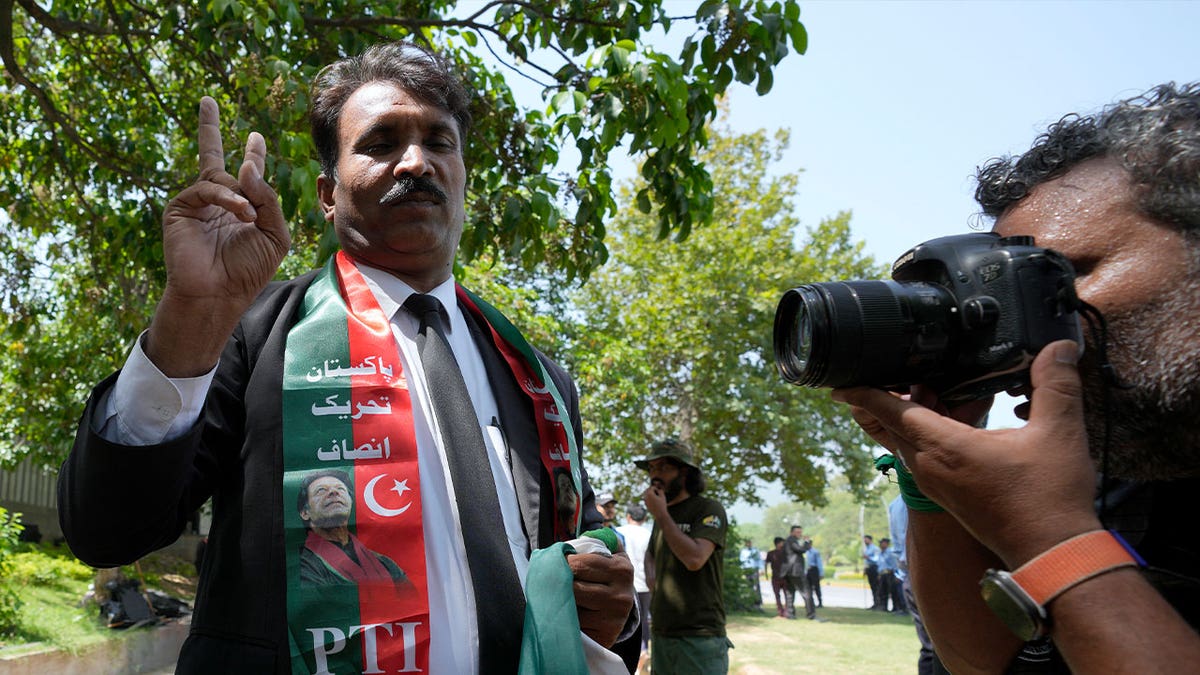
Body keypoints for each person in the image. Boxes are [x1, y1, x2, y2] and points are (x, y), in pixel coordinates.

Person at [57, 41, 634, 674]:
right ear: (329, 194)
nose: (415, 161)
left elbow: (582, 574)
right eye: (382, 143)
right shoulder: (253, 334)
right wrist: (193, 312)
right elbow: (108, 530)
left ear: (463, 172)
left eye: (439, 142)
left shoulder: (538, 379)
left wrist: (615, 613)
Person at [833, 82, 1200, 672]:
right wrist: (928, 485)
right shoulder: (1111, 465)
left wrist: (1055, 538)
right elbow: (980, 663)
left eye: (1051, 280)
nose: (1024, 331)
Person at [638, 438, 730, 674]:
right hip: (662, 632)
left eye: (664, 467)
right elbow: (651, 555)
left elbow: (695, 559)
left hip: (699, 635)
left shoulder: (708, 509)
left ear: (685, 472)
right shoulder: (662, 515)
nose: (655, 475)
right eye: (652, 468)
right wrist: (653, 583)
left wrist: (661, 515)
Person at [296, 469, 411, 590]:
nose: (334, 492)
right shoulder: (302, 565)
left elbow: (412, 602)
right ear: (305, 512)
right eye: (321, 490)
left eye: (340, 489)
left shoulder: (385, 564)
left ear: (350, 503)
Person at [616, 504, 653, 669]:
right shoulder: (649, 534)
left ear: (628, 516)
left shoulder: (619, 532)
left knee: (624, 620)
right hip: (646, 585)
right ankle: (643, 650)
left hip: (626, 582)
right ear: (644, 518)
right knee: (644, 619)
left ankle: (631, 657)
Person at [780, 525, 816, 620]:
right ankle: (811, 614)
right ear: (792, 532)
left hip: (789, 571)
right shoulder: (791, 540)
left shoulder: (789, 541)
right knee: (806, 592)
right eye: (797, 532)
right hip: (795, 570)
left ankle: (791, 614)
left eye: (800, 532)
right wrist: (807, 542)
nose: (799, 534)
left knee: (790, 593)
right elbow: (801, 550)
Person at [877, 537, 905, 613]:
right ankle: (884, 607)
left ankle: (895, 607)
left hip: (889, 573)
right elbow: (880, 565)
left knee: (893, 592)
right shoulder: (880, 553)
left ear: (886, 543)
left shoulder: (890, 552)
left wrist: (896, 574)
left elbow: (894, 565)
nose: (880, 544)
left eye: (882, 542)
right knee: (883, 591)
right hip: (882, 574)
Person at [764, 537, 788, 618]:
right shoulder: (771, 553)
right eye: (782, 543)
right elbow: (766, 563)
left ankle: (786, 610)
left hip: (785, 577)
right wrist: (766, 574)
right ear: (778, 543)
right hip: (776, 577)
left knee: (787, 595)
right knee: (777, 595)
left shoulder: (786, 552)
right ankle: (780, 611)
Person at [738, 539, 764, 609]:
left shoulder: (755, 550)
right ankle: (749, 602)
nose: (749, 544)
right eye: (747, 543)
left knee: (756, 586)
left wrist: (762, 569)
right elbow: (741, 561)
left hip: (754, 569)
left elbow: (759, 560)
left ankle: (758, 602)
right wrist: (741, 570)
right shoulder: (743, 551)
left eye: (750, 543)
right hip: (747, 570)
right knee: (748, 586)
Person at [861, 534, 882, 609]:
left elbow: (876, 559)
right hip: (869, 569)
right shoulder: (867, 548)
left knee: (876, 586)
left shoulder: (875, 548)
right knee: (872, 587)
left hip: (874, 568)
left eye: (866, 539)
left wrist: (868, 557)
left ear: (870, 540)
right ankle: (875, 603)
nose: (865, 541)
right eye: (864, 539)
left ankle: (879, 603)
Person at [805, 543, 825, 608]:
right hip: (808, 571)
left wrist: (821, 573)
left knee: (816, 587)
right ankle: (810, 603)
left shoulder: (815, 552)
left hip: (814, 570)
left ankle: (820, 602)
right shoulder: (805, 552)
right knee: (808, 588)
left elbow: (819, 563)